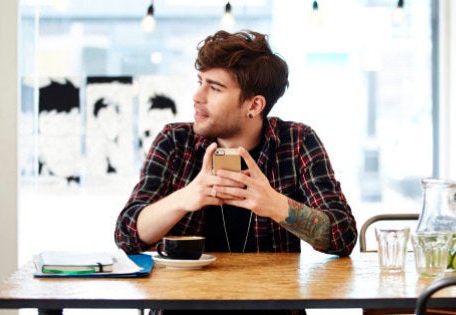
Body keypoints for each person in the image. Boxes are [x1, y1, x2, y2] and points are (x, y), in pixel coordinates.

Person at [114, 30, 357, 315]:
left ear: (254, 105)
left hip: (271, 308)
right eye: (200, 82)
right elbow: (127, 234)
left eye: (214, 88)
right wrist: (188, 197)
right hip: (181, 306)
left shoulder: (297, 141)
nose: (197, 96)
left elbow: (343, 236)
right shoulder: (175, 141)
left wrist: (276, 204)